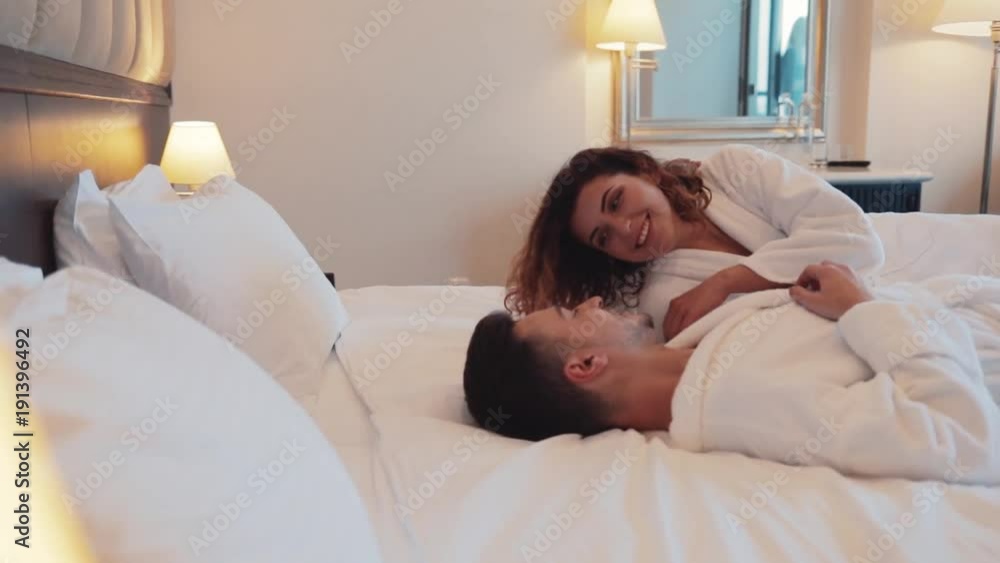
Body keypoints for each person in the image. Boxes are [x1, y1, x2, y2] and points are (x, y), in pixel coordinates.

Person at [465, 262, 1000, 485]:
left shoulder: (699, 345)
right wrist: (863, 308)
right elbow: (965, 439)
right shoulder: (746, 400)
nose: (593, 301)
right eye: (573, 314)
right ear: (585, 365)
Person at [506, 144, 886, 341]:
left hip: (872, 312)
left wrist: (726, 281)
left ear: (646, 172)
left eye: (617, 201)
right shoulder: (656, 301)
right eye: (603, 237)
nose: (625, 228)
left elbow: (857, 239)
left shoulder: (734, 171)